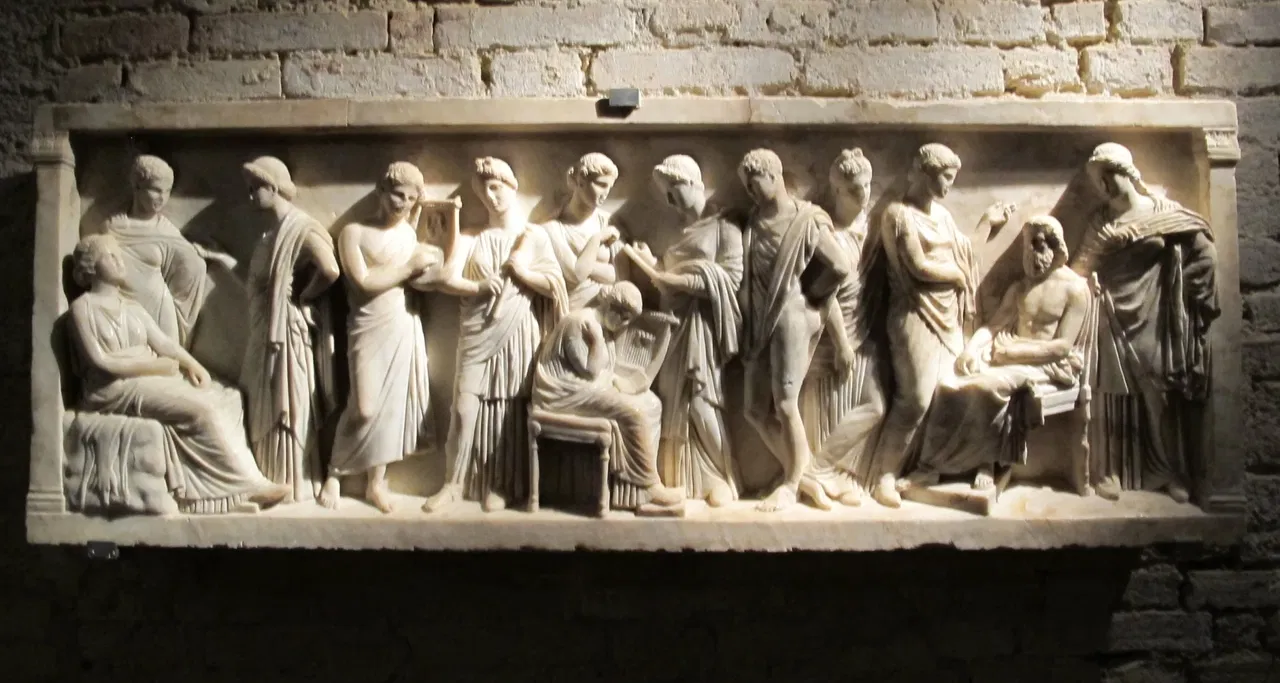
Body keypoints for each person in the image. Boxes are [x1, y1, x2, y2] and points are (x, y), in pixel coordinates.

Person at [68, 234, 289, 513]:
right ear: (91, 267)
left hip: (149, 378)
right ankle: (242, 487)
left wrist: (192, 365)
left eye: (118, 255)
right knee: (201, 411)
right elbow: (101, 361)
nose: (119, 261)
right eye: (110, 256)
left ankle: (232, 487)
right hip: (113, 389)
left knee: (229, 397)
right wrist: (156, 366)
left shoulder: (131, 307)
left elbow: (164, 344)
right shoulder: (83, 309)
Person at [862, 143, 1013, 507]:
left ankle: (928, 466)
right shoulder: (898, 215)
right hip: (914, 314)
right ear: (924, 172)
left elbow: (963, 253)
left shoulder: (943, 217)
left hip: (948, 317)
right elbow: (917, 267)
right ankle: (884, 476)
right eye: (944, 176)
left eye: (953, 178)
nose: (948, 185)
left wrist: (986, 224)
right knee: (914, 399)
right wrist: (957, 276)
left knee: (949, 392)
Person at [1070, 142, 1219, 503]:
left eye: (1109, 176)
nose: (1104, 186)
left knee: (1160, 395)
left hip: (1155, 314)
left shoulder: (1164, 211)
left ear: (1127, 172)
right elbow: (1078, 269)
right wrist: (1096, 263)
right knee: (1110, 394)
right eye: (1098, 181)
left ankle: (1168, 471)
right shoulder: (1100, 222)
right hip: (1110, 312)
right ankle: (1111, 470)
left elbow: (1204, 251)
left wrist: (1189, 289)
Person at [902, 216, 1091, 491]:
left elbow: (1062, 347)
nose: (1031, 253)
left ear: (1055, 246)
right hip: (1007, 356)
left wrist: (1014, 353)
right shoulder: (1020, 288)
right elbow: (992, 327)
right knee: (948, 384)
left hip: (1049, 365)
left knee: (988, 386)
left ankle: (986, 463)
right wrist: (970, 350)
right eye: (1027, 245)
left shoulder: (1075, 289)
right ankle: (930, 467)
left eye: (1038, 245)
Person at [422, 157, 567, 513]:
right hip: (477, 330)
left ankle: (503, 484)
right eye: (484, 190)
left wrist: (522, 273)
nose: (490, 196)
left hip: (518, 328)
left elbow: (554, 284)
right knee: (463, 407)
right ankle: (453, 483)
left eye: (496, 187)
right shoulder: (472, 237)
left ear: (512, 187)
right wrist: (479, 287)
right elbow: (447, 279)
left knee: (511, 407)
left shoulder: (533, 235)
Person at [737, 148, 853, 511]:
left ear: (774, 175)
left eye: (754, 184)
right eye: (747, 188)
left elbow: (839, 266)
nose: (751, 193)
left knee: (786, 403)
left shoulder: (807, 221)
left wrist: (810, 298)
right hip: (760, 323)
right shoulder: (754, 222)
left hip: (791, 317)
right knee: (754, 410)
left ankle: (789, 484)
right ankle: (805, 477)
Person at [320, 162, 438, 514]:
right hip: (366, 325)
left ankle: (375, 483)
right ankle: (335, 471)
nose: (403, 203)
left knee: (390, 410)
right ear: (381, 191)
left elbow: (415, 275)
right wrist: (409, 267)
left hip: (400, 324)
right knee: (364, 407)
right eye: (397, 195)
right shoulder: (353, 233)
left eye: (410, 199)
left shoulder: (408, 236)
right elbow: (363, 282)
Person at [630, 154, 743, 507]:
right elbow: (666, 277)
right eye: (665, 193)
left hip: (703, 327)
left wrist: (675, 280)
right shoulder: (675, 232)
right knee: (671, 400)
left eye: (673, 189)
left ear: (694, 183)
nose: (669, 200)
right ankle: (678, 478)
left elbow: (731, 278)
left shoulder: (725, 227)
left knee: (701, 402)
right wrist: (651, 263)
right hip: (673, 325)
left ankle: (723, 476)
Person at [239, 156, 341, 504]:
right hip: (263, 329)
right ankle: (272, 480)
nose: (250, 196)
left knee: (289, 404)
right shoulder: (269, 235)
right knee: (263, 403)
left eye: (254, 188)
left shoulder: (301, 228)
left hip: (285, 331)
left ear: (273, 186)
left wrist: (304, 296)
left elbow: (330, 269)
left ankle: (295, 484)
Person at [531, 282, 685, 509]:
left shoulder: (607, 330)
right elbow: (590, 370)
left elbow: (605, 371)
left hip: (586, 388)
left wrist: (627, 381)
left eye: (628, 319)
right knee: (633, 413)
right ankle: (650, 486)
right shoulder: (579, 323)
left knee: (652, 404)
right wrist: (596, 341)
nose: (625, 323)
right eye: (623, 316)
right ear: (610, 304)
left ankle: (632, 492)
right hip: (563, 393)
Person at [803, 149, 887, 506]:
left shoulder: (867, 229)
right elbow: (824, 294)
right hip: (833, 336)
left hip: (865, 331)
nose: (863, 194)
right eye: (854, 189)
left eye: (867, 185)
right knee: (831, 405)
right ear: (837, 190)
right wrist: (840, 344)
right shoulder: (828, 234)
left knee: (872, 406)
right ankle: (820, 473)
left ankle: (830, 472)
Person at [103, 155, 234, 347]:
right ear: (137, 186)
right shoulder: (113, 226)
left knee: (167, 358)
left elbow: (194, 265)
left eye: (167, 191)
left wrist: (207, 255)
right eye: (156, 190)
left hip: (159, 308)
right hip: (123, 311)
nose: (162, 198)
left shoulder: (165, 230)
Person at [541, 152, 626, 310]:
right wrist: (597, 239)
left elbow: (619, 275)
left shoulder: (606, 221)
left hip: (609, 310)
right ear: (580, 181)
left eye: (609, 187)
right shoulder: (552, 229)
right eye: (601, 184)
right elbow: (577, 275)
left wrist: (588, 266)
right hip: (573, 311)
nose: (606, 193)